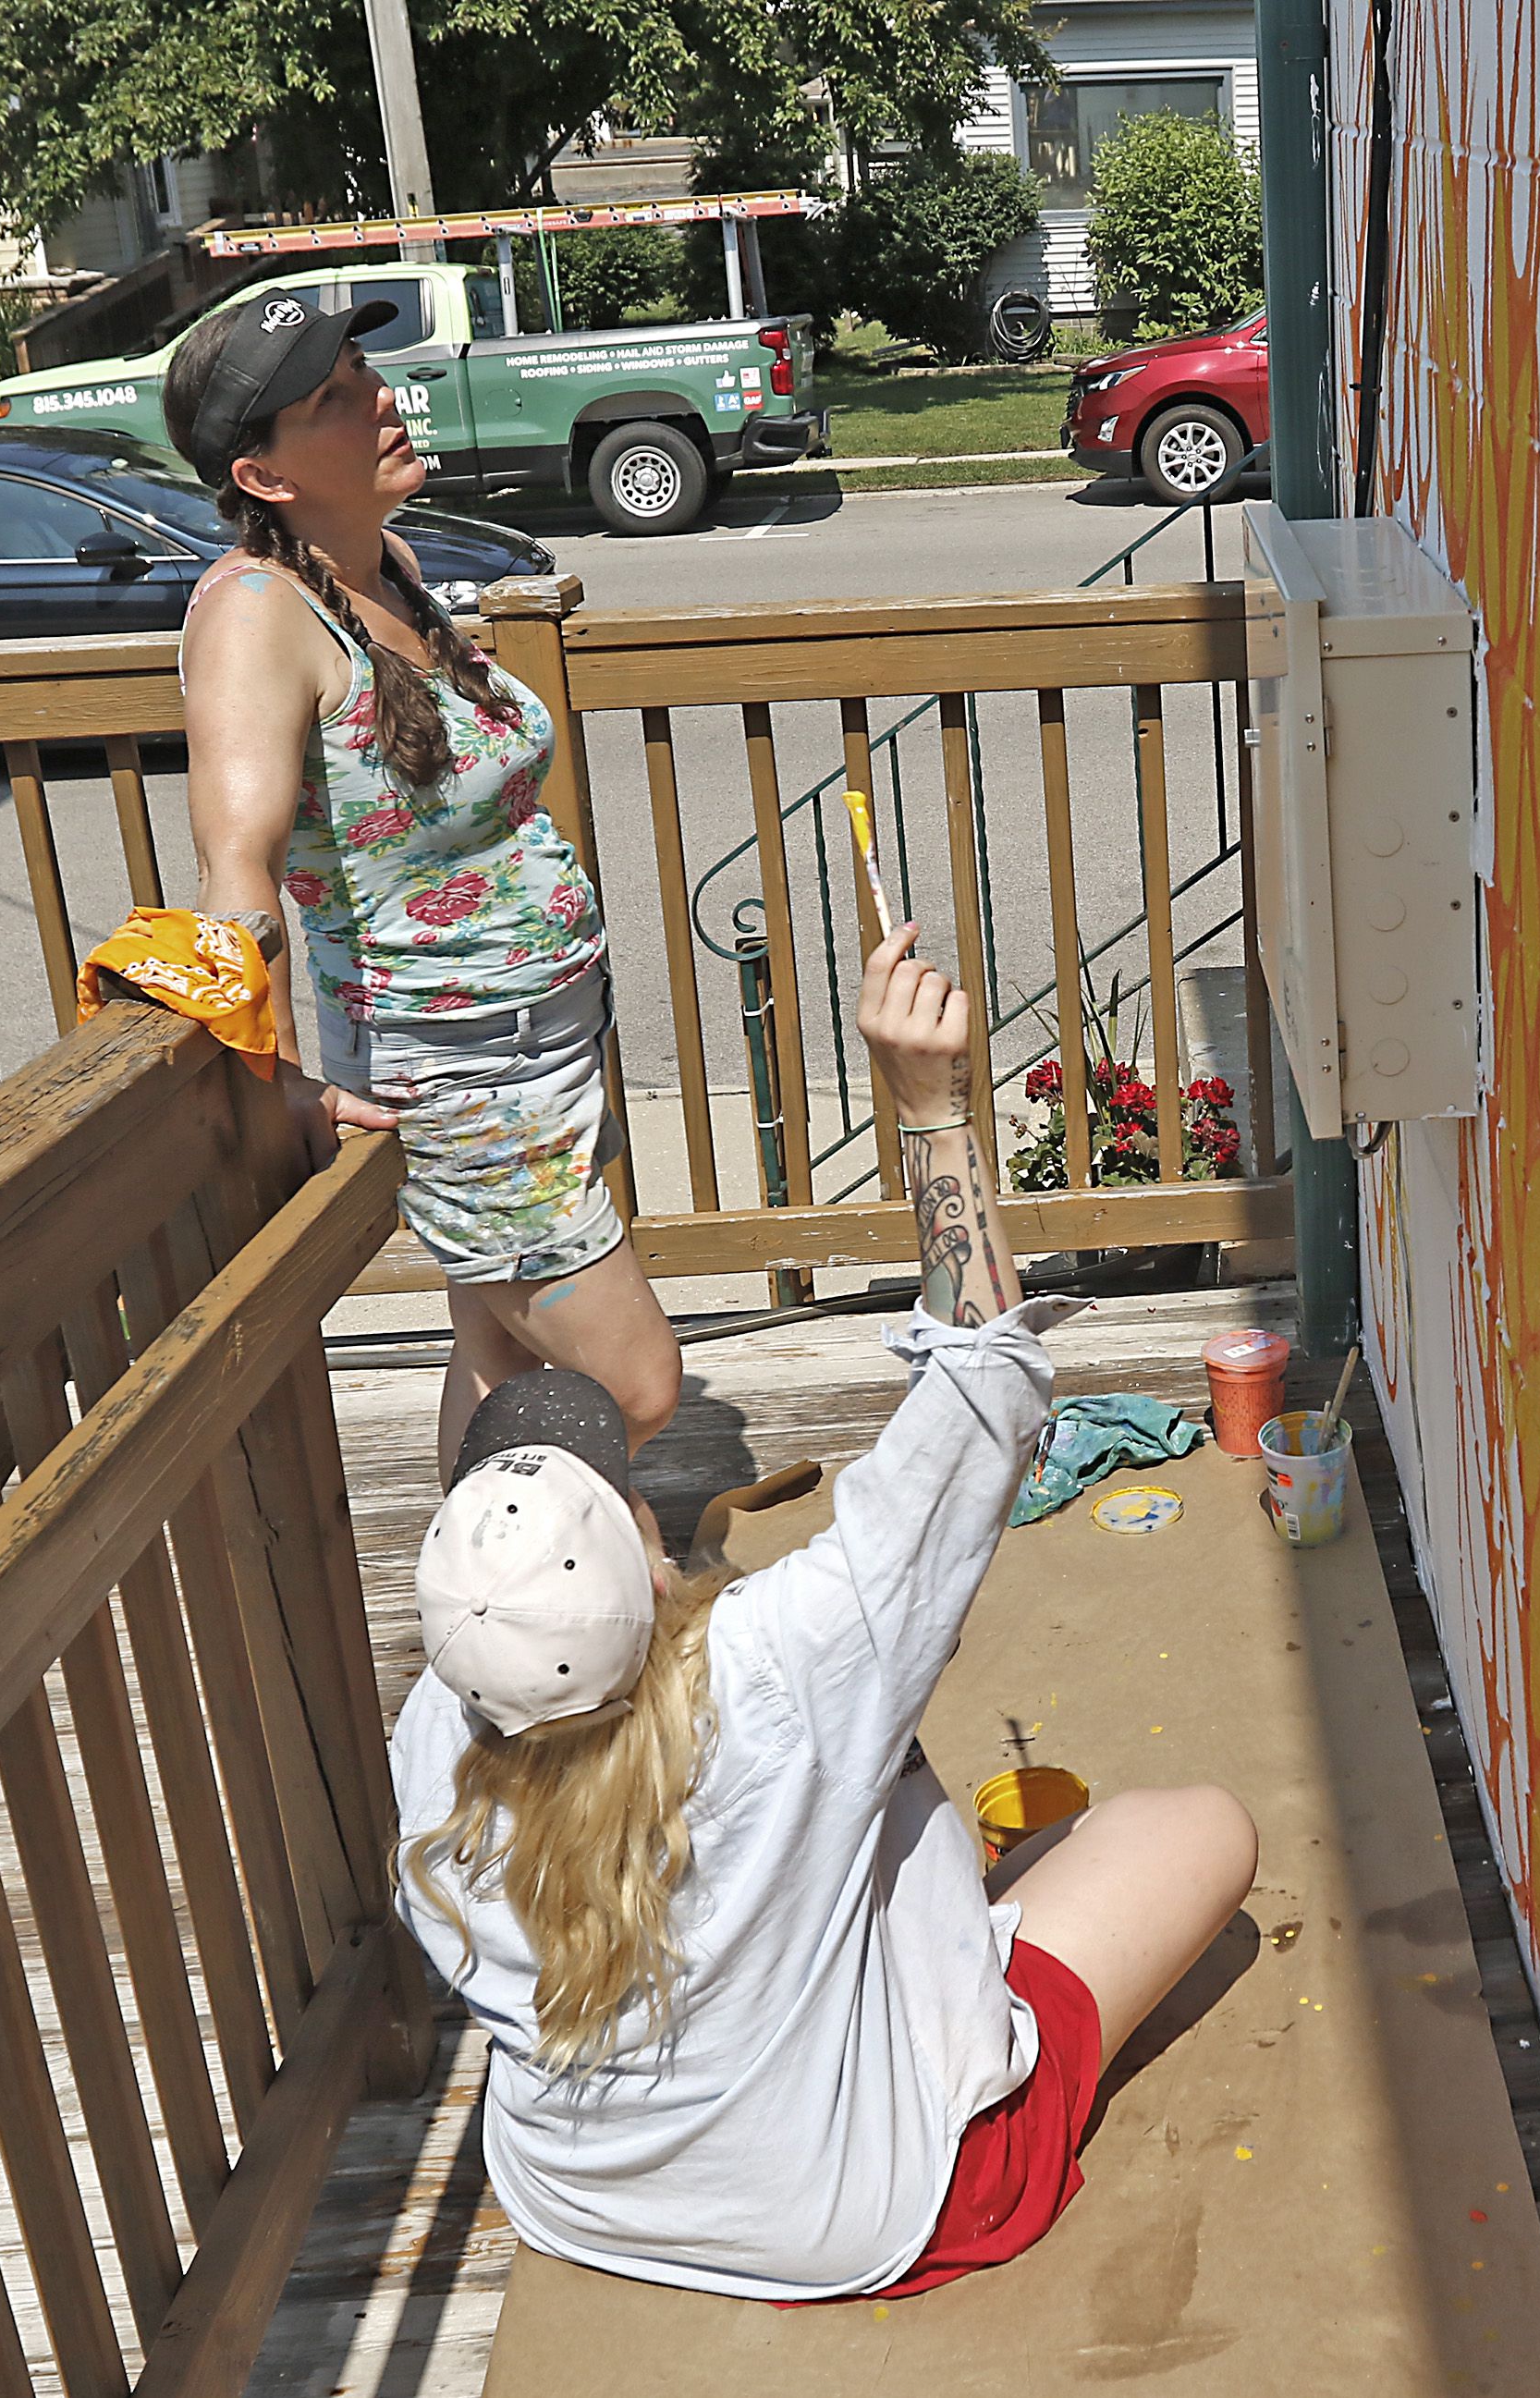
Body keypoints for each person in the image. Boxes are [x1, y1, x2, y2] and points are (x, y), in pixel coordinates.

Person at [391, 925, 1260, 2300]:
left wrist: (459, 1202)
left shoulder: (433, 1734)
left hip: (583, 2197)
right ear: (654, 1565)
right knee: (1208, 1831)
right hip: (869, 2205)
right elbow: (982, 1393)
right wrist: (931, 1109)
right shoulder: (782, 1661)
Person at [164, 289, 679, 1484]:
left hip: (546, 1041)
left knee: (503, 1356)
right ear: (267, 472)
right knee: (635, 1384)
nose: (382, 396)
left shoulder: (382, 567)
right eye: (334, 397)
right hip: (455, 1075)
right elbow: (236, 863)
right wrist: (273, 1075)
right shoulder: (255, 612)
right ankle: (522, 1584)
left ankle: (509, 1611)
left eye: (363, 370)